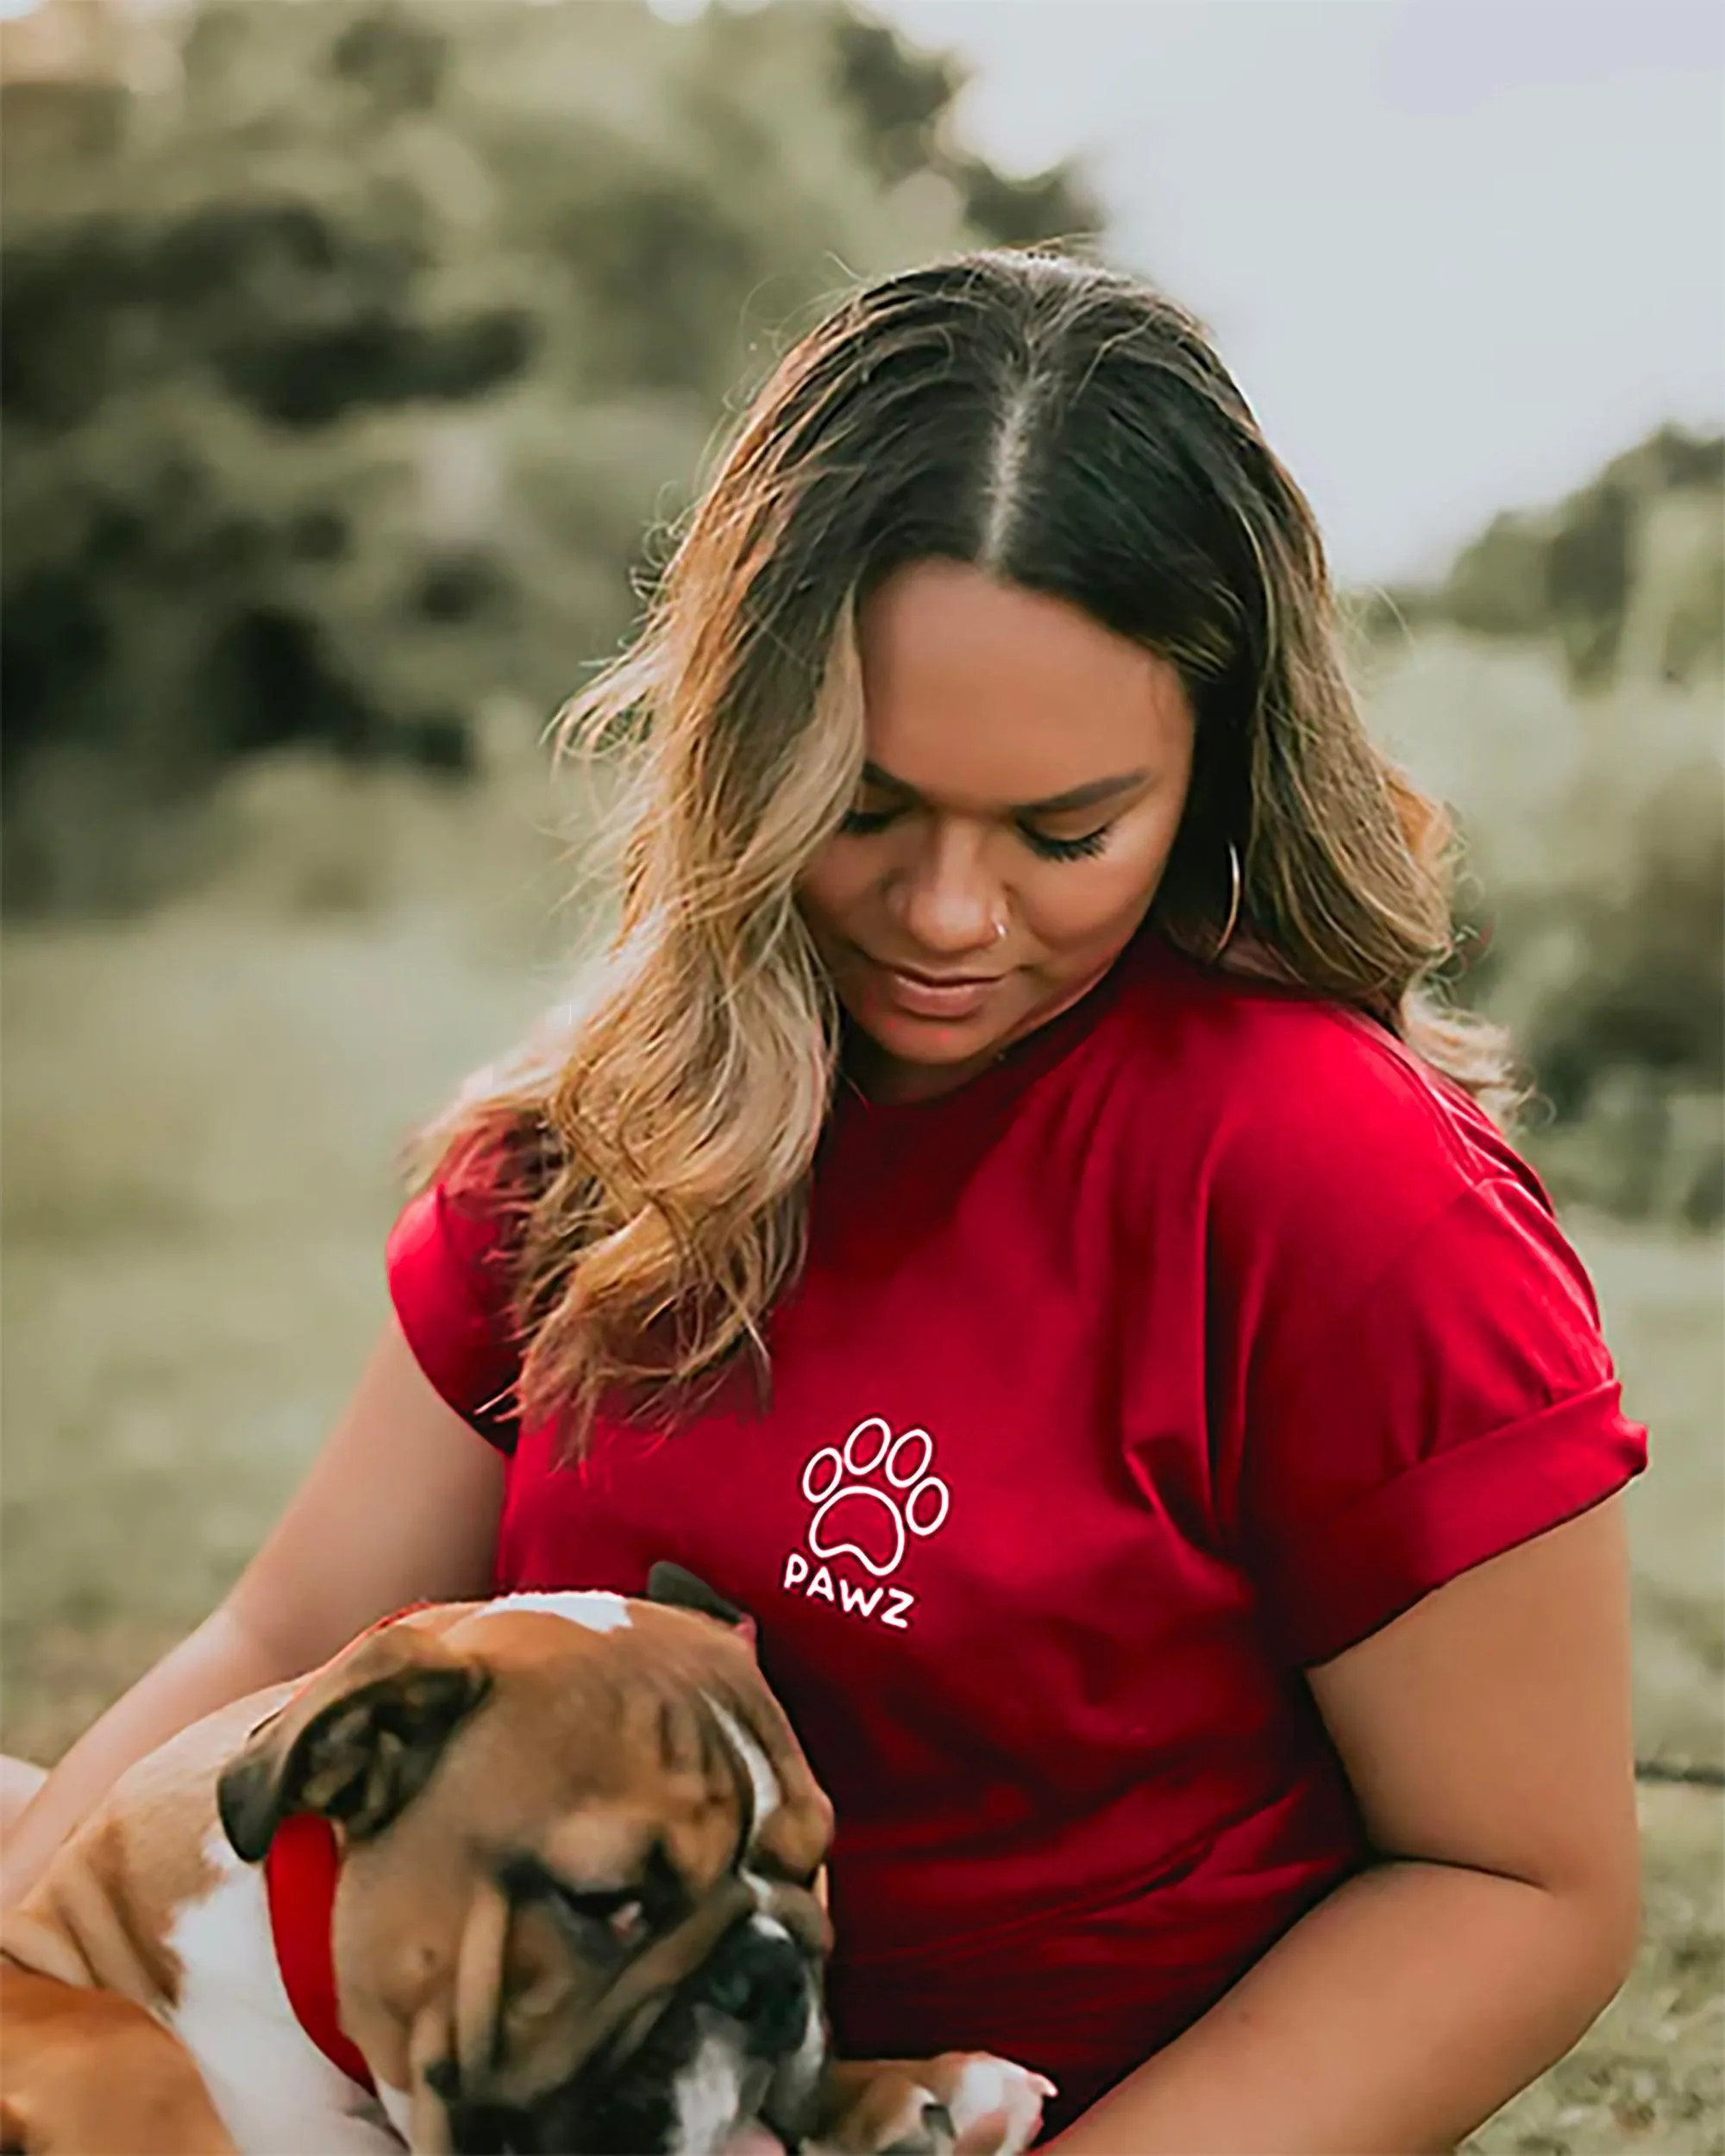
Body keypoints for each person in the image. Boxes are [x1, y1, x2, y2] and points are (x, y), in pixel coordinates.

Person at [2, 250, 1646, 2154]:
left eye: (1065, 831)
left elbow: (1519, 1882)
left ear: (1213, 768)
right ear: (742, 746)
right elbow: (282, 1638)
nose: (946, 916)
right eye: (863, 805)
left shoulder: (1336, 1184)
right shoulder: (610, 1125)